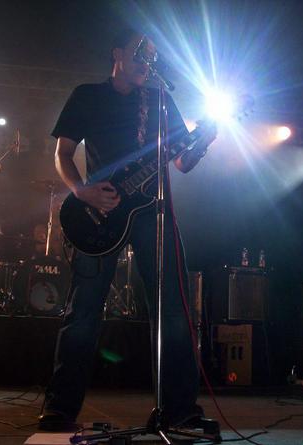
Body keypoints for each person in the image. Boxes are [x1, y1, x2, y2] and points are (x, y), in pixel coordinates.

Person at [39, 29, 216, 432]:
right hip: (101, 210)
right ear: (117, 53)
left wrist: (203, 142)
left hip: (154, 211)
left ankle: (180, 409)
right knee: (84, 310)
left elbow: (182, 162)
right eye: (139, 52)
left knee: (173, 311)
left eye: (151, 55)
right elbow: (62, 153)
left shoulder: (160, 99)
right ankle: (60, 408)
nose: (146, 61)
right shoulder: (88, 95)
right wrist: (81, 191)